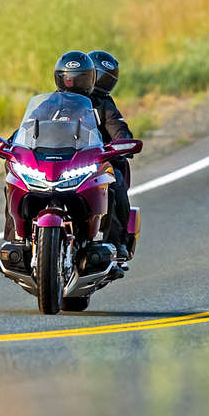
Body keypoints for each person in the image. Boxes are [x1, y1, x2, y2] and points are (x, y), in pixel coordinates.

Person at [85, 50, 135, 261]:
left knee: (115, 183)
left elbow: (118, 128)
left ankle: (117, 241)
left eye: (108, 79)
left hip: (96, 162)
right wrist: (14, 141)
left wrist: (123, 142)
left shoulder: (104, 105)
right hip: (61, 161)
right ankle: (17, 238)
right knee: (16, 179)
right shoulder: (57, 101)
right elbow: (32, 124)